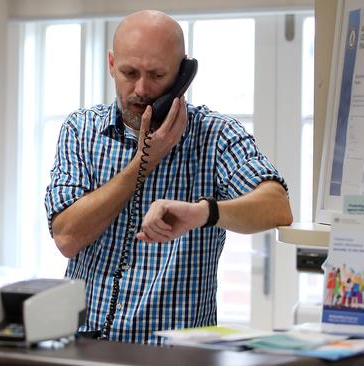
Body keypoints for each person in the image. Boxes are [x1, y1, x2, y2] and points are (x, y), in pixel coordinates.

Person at [44, 9, 292, 344]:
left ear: (182, 74)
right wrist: (145, 160)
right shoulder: (81, 130)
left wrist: (204, 213)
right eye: (129, 73)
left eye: (157, 75)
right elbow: (66, 238)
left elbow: (277, 206)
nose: (141, 89)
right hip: (84, 345)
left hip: (178, 353)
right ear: (111, 64)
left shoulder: (215, 135)